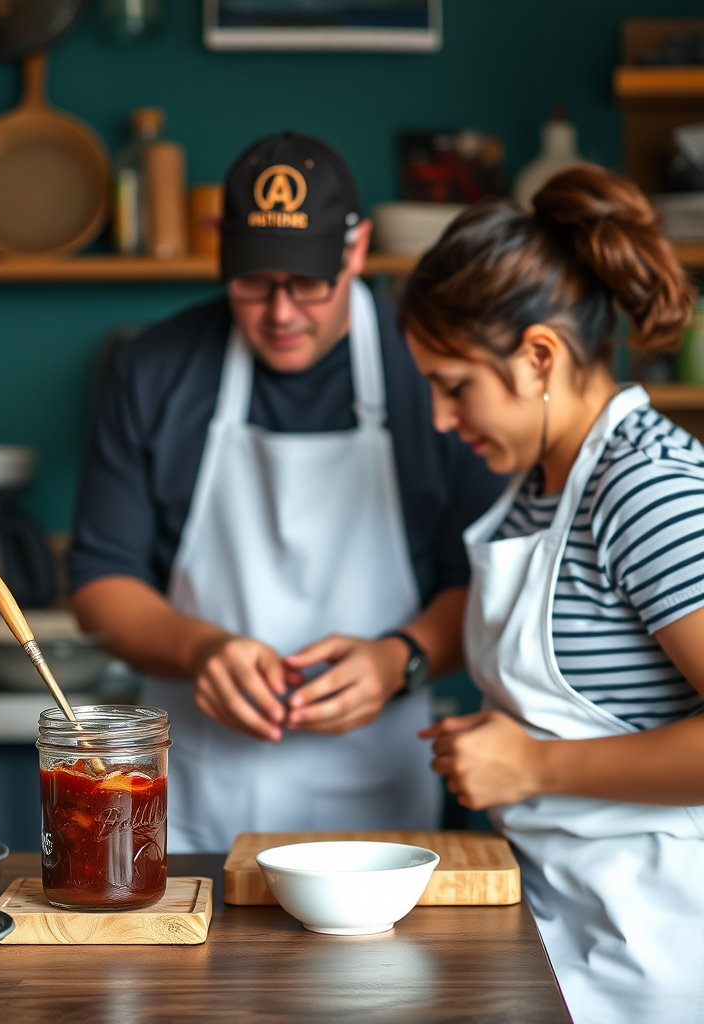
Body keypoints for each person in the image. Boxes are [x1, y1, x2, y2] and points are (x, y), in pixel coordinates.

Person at [68, 131, 503, 853]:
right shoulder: (154, 368)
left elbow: (487, 581)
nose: (280, 313)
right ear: (219, 250)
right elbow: (99, 581)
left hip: (379, 804)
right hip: (197, 806)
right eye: (253, 283)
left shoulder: (429, 366)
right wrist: (201, 648)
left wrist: (401, 657)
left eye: (308, 284)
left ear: (356, 251)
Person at [401, 165, 704, 1024]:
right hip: (562, 936)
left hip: (659, 965)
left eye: (454, 384)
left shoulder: (646, 489)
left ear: (539, 356)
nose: (440, 418)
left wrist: (533, 763)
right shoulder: (545, 479)